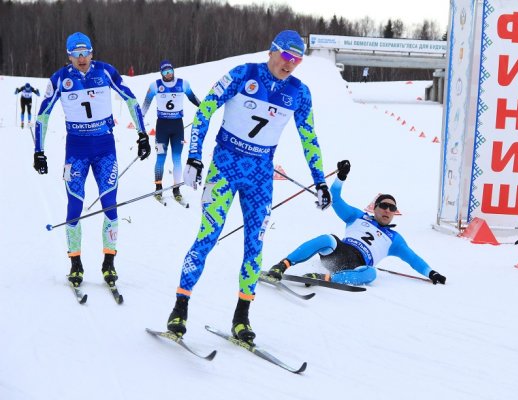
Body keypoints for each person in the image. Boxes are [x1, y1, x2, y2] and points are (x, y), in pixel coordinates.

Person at [165, 30, 331, 343]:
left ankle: (242, 317)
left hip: (260, 177)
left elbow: (309, 138)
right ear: (273, 51)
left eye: (297, 60)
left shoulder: (299, 92)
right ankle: (180, 308)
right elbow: (205, 110)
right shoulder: (243, 74)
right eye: (286, 57)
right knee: (207, 237)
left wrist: (320, 180)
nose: (291, 65)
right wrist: (194, 158)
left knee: (255, 245)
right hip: (225, 169)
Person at [33, 32, 151, 288]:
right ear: (68, 56)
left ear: (92, 52)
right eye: (76, 54)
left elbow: (130, 99)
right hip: (76, 151)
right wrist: (38, 151)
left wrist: (143, 134)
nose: (81, 58)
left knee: (110, 204)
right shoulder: (60, 79)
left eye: (85, 52)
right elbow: (42, 115)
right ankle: (75, 264)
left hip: (105, 148)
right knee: (74, 206)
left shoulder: (105, 72)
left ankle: (109, 263)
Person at [267, 160, 447, 286]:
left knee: (371, 273)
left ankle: (324, 278)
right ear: (374, 208)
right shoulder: (358, 216)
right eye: (384, 206)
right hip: (338, 253)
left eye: (392, 208)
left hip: (357, 266)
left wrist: (432, 273)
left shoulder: (395, 239)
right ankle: (282, 265)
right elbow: (335, 199)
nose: (387, 210)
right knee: (327, 238)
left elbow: (413, 259)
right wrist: (341, 176)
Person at [141, 60, 200, 203]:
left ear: (173, 70)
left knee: (177, 159)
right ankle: (158, 187)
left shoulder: (183, 84)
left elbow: (193, 98)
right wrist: (140, 118)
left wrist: (204, 107)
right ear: (161, 73)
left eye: (170, 71)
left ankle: (176, 188)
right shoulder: (155, 85)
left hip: (177, 127)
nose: (168, 75)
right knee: (161, 158)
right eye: (165, 72)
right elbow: (146, 103)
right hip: (162, 126)